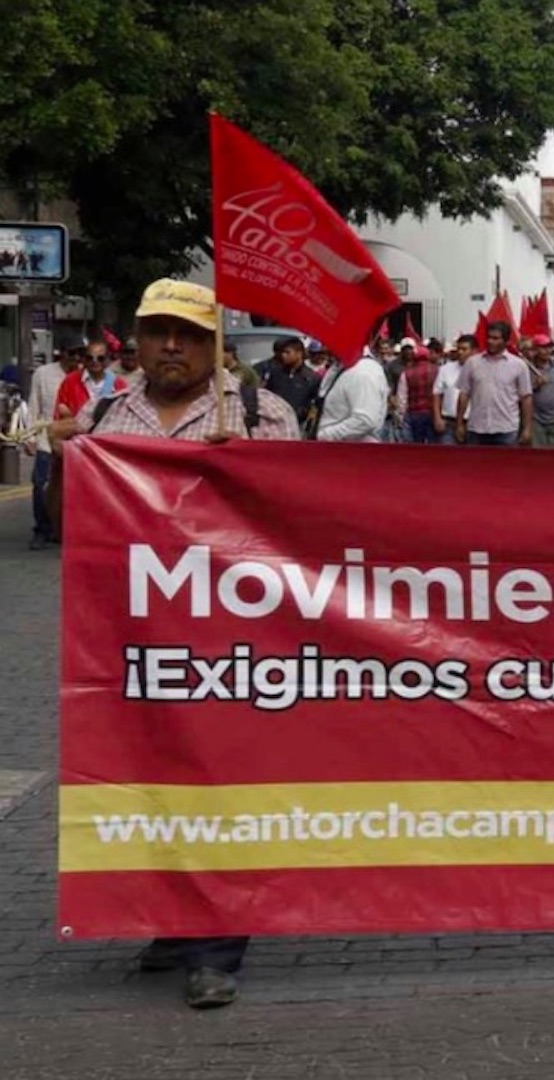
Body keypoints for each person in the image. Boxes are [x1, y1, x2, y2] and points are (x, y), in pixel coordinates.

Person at [45, 279, 302, 1009]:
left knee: (218, 780)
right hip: (128, 636)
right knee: (145, 774)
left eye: (188, 335)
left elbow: (297, 525)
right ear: (138, 338)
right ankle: (171, 916)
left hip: (228, 640)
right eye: (159, 331)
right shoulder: (105, 413)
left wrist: (248, 466)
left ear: (214, 345)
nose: (171, 346)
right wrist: (67, 456)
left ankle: (217, 944)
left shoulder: (260, 412)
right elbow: (75, 525)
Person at [23, 347, 81, 549]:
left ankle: (64, 529)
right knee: (40, 483)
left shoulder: (84, 377)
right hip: (46, 438)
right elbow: (34, 404)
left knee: (71, 488)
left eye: (79, 354)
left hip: (76, 441)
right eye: (72, 353)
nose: (76, 358)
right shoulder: (43, 373)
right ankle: (41, 529)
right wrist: (29, 436)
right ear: (62, 354)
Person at [456, 321, 533, 447]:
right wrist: (459, 424)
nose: (490, 341)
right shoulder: (472, 363)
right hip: (477, 428)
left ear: (506, 341)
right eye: (489, 337)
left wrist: (527, 428)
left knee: (506, 466)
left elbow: (526, 398)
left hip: (506, 429)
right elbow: (464, 394)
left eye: (495, 338)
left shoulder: (518, 365)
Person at [316, 346, 393, 444]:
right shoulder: (341, 366)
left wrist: (326, 435)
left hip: (352, 452)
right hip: (336, 449)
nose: (324, 348)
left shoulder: (363, 372)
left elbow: (365, 420)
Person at [254, 337, 321, 437]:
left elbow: (315, 405)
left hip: (298, 425)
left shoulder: (312, 378)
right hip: (274, 423)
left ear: (299, 353)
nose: (283, 355)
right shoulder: (275, 373)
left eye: (287, 352)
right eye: (282, 352)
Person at [393, 339, 442, 444]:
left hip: (414, 413)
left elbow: (402, 398)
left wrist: (400, 416)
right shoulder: (438, 370)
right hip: (433, 413)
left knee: (416, 445)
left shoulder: (406, 373)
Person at [434, 336, 472, 443]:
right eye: (459, 349)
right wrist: (437, 418)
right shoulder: (445, 369)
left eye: (464, 349)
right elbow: (437, 394)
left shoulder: (480, 370)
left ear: (474, 351)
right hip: (449, 422)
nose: (460, 352)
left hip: (472, 424)